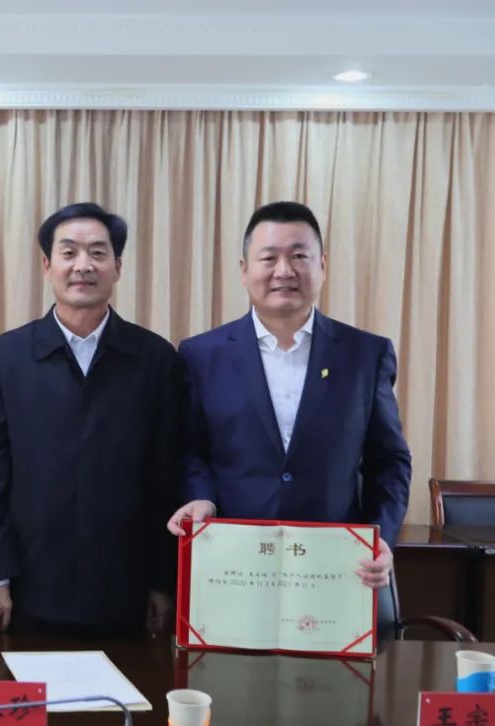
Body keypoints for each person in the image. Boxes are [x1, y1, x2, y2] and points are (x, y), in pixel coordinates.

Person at [167, 201, 411, 592]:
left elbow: (389, 460)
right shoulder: (201, 355)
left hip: (333, 566)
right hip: (233, 565)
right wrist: (202, 499)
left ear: (322, 265)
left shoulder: (365, 355)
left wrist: (381, 533)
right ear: (244, 270)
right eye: (269, 258)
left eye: (299, 256)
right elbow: (191, 451)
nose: (284, 271)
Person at [0, 202, 183, 634]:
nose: (83, 265)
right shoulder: (6, 357)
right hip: (26, 587)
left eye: (98, 253)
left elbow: (165, 479)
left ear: (118, 266)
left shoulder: (155, 358)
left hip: (124, 589)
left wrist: (162, 582)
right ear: (47, 265)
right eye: (68, 253)